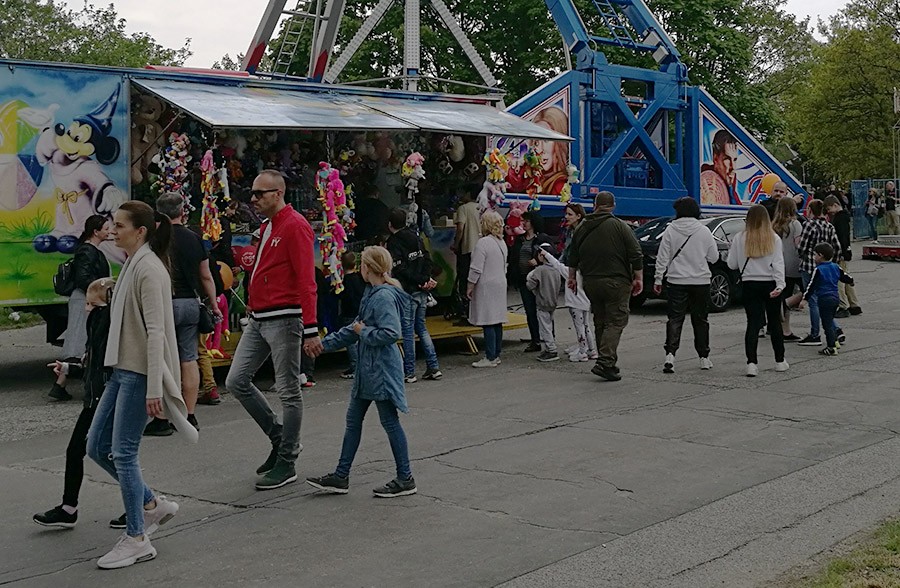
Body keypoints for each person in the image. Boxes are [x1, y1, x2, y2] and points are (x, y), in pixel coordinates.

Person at [86, 202, 197, 569]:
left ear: (141, 231)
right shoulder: (135, 262)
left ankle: (136, 538)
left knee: (123, 452)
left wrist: (153, 389)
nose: (112, 231)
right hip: (123, 369)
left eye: (119, 225)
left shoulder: (149, 268)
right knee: (97, 446)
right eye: (113, 224)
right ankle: (151, 504)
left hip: (137, 374)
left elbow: (156, 332)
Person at [224, 170, 322, 491]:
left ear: (278, 193)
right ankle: (280, 438)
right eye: (252, 193)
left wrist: (311, 328)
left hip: (284, 317)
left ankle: (287, 458)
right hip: (261, 316)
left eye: (259, 193)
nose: (253, 198)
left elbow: (307, 280)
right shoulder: (268, 226)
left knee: (288, 390)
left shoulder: (295, 226)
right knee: (236, 380)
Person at [305, 246, 417, 498]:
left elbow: (391, 333)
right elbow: (353, 329)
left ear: (368, 268)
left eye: (362, 264)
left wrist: (362, 332)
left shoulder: (383, 296)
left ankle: (405, 478)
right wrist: (323, 345)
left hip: (381, 371)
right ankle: (341, 476)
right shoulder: (373, 292)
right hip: (369, 370)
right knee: (354, 421)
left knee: (389, 422)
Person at [34, 278, 118, 529]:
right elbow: (92, 364)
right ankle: (69, 507)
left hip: (104, 400)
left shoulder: (106, 326)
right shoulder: (98, 329)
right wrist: (69, 368)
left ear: (105, 305)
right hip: (95, 399)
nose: (86, 309)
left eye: (91, 305)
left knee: (115, 455)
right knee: (81, 451)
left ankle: (144, 503)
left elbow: (105, 367)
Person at [146, 193, 222, 435]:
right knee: (189, 358)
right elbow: (206, 276)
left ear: (158, 212)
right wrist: (214, 304)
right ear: (182, 211)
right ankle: (189, 415)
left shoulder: (154, 239)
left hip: (162, 303)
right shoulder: (194, 238)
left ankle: (161, 418)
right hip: (190, 303)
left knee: (161, 358)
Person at [567, 191, 643, 381]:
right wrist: (638, 278)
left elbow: (572, 256)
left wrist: (572, 278)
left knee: (600, 321)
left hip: (591, 282)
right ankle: (605, 362)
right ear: (613, 206)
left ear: (595, 206)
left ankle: (607, 362)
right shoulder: (620, 226)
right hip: (616, 282)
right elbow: (636, 253)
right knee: (615, 321)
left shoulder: (582, 227)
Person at [652, 197, 719, 373]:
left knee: (675, 319)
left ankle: (670, 356)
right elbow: (714, 257)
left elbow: (662, 257)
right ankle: (704, 357)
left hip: (676, 280)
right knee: (701, 320)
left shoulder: (670, 230)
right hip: (700, 281)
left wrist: (658, 279)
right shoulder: (704, 231)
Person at [51, 215, 111, 401]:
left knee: (79, 341)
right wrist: (100, 291)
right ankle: (77, 384)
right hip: (85, 300)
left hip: (86, 299)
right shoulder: (87, 251)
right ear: (96, 231)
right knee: (80, 341)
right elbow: (83, 278)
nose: (109, 231)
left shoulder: (88, 250)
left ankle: (60, 384)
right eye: (106, 228)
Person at [727, 205, 788, 377]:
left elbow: (731, 264)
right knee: (775, 323)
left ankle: (751, 364)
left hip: (749, 284)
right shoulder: (773, 238)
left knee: (753, 323)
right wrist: (780, 285)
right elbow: (778, 264)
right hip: (770, 283)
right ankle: (780, 361)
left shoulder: (739, 238)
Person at [386, 208, 442, 383]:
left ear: (390, 225)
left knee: (408, 332)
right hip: (422, 290)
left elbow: (400, 268)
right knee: (422, 328)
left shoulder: (393, 242)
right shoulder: (416, 236)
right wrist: (425, 279)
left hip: (408, 291)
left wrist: (418, 281)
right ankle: (433, 366)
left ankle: (410, 372)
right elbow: (426, 258)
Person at [796, 200, 843, 347]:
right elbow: (837, 247)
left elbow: (802, 247)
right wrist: (832, 262)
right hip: (825, 267)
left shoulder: (809, 225)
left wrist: (802, 256)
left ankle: (815, 334)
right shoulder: (829, 226)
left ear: (810, 210)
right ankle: (836, 329)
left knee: (813, 301)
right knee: (823, 300)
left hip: (809, 266)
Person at [466, 211, 509, 368]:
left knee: (488, 319)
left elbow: (476, 268)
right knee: (497, 319)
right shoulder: (501, 242)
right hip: (500, 282)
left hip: (487, 284)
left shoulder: (483, 243)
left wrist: (470, 285)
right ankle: (496, 354)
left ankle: (490, 356)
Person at [799, 243, 855, 356]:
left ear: (821, 255)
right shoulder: (835, 266)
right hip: (835, 298)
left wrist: (805, 299)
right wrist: (851, 281)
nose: (814, 257)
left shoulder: (819, 270)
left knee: (827, 324)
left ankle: (831, 347)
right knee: (830, 320)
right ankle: (834, 341)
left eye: (815, 255)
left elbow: (811, 285)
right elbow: (845, 276)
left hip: (824, 298)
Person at [508, 211, 551, 352]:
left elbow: (551, 254)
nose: (523, 223)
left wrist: (538, 260)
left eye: (526, 221)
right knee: (530, 310)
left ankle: (549, 339)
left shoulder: (541, 238)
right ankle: (535, 340)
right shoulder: (520, 239)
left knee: (544, 309)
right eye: (523, 221)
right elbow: (513, 256)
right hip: (523, 279)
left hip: (538, 280)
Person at [824, 195, 861, 317]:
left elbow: (842, 237)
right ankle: (854, 304)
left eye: (829, 208)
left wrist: (842, 252)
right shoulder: (843, 217)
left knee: (839, 280)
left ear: (835, 205)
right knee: (846, 278)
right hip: (844, 252)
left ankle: (843, 305)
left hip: (840, 253)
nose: (829, 212)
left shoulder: (840, 219)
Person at [772, 197, 804, 341]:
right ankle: (788, 303)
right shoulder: (795, 224)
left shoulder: (774, 225)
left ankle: (785, 329)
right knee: (808, 290)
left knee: (785, 292)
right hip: (795, 263)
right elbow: (798, 244)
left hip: (780, 264)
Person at [527, 243, 561, 362]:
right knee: (549, 325)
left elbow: (530, 284)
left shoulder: (540, 270)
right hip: (553, 301)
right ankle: (548, 348)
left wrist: (530, 283)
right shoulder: (556, 269)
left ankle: (551, 350)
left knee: (544, 328)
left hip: (542, 302)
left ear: (542, 255)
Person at [453, 187, 481, 316]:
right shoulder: (482, 208)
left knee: (465, 278)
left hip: (468, 248)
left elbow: (460, 228)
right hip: (480, 249)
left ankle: (466, 310)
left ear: (469, 194)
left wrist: (456, 244)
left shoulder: (463, 208)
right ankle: (477, 310)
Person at [337, 251, 366, 379]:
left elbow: (344, 298)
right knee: (360, 340)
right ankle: (361, 364)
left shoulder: (344, 282)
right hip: (359, 312)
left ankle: (355, 366)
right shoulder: (359, 278)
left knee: (350, 341)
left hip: (348, 313)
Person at [700, 130, 739, 205]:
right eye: (727, 159)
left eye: (735, 159)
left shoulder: (729, 180)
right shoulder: (706, 182)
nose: (733, 166)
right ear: (715, 159)